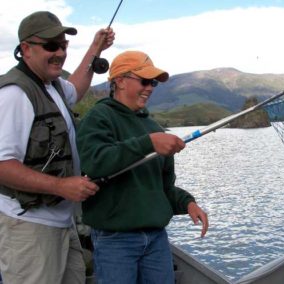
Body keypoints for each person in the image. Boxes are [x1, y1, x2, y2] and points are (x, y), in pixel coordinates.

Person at [0, 11, 115, 284]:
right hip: (29, 228)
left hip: (62, 223)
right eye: (51, 46)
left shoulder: (52, 86)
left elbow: (76, 87)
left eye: (63, 46)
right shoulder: (14, 94)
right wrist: (60, 187)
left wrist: (95, 48)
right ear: (25, 49)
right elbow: (3, 166)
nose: (60, 53)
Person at [76, 50, 209, 283]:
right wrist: (148, 142)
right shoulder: (99, 117)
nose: (150, 87)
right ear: (119, 81)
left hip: (156, 239)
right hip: (114, 240)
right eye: (144, 81)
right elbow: (94, 163)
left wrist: (187, 202)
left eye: (154, 82)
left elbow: (163, 187)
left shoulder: (154, 126)